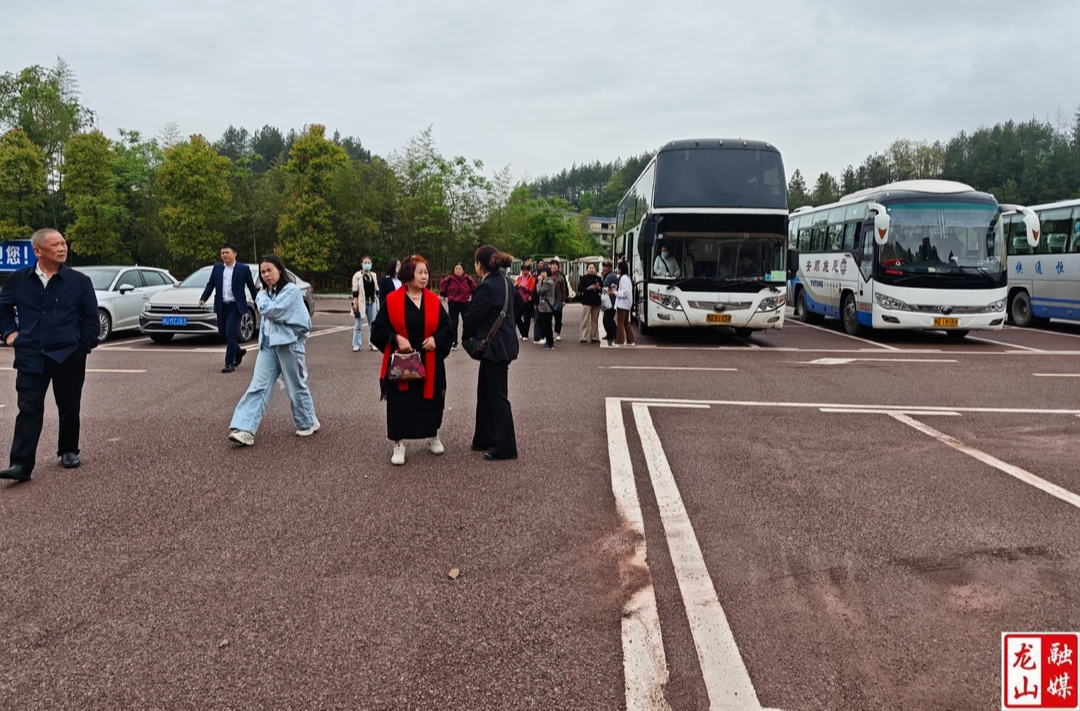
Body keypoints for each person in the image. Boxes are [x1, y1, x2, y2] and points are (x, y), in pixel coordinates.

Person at [0, 229, 98, 481]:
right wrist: (10, 333)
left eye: (64, 243)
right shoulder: (18, 279)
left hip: (68, 354)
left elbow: (90, 319)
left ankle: (68, 450)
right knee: (28, 408)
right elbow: (3, 310)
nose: (62, 248)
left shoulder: (79, 281)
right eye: (55, 244)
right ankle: (21, 464)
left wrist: (83, 346)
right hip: (31, 354)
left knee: (68, 406)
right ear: (38, 251)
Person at [370, 255, 454, 466]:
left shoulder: (433, 300)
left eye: (426, 272)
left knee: (433, 399)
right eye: (420, 273)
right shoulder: (392, 300)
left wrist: (436, 339)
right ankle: (398, 443)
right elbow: (378, 330)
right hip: (402, 359)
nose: (424, 277)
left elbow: (447, 328)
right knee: (400, 403)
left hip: (430, 359)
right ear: (408, 275)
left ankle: (432, 434)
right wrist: (396, 338)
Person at [228, 255, 318, 446]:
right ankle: (244, 428)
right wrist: (264, 301)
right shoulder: (265, 293)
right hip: (268, 345)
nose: (266, 275)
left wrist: (262, 301)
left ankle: (307, 422)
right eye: (263, 272)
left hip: (289, 344)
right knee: (258, 386)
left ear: (279, 270)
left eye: (270, 270)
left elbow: (274, 311)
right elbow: (269, 309)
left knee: (296, 387)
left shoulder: (291, 291)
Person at [462, 245, 524, 461]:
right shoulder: (505, 281)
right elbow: (519, 303)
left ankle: (506, 447)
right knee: (487, 393)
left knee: (497, 398)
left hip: (494, 347)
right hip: (503, 344)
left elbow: (471, 317)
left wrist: (470, 336)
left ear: (480, 265)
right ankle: (484, 438)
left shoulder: (487, 286)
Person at [199, 243, 259, 373]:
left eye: (227, 253)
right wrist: (203, 298)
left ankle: (229, 363)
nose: (224, 255)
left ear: (234, 254)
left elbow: (251, 287)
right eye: (222, 253)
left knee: (230, 333)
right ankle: (238, 351)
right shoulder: (217, 268)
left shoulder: (243, 269)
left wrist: (257, 303)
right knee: (222, 334)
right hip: (222, 305)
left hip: (235, 306)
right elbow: (211, 285)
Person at [438, 262, 477, 351]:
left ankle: (468, 340)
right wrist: (445, 294)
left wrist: (472, 297)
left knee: (467, 321)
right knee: (452, 323)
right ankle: (453, 341)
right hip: (453, 303)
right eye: (456, 268)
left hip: (465, 303)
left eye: (460, 269)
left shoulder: (467, 279)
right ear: (454, 270)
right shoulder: (450, 279)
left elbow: (474, 288)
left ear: (463, 270)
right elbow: (442, 286)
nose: (458, 270)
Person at [351, 256, 380, 352]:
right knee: (358, 325)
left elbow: (376, 289)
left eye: (369, 262)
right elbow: (355, 290)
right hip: (361, 303)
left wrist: (377, 299)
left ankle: (372, 344)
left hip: (372, 302)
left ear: (371, 264)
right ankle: (356, 344)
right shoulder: (357, 275)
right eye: (365, 262)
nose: (367, 264)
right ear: (362, 264)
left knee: (373, 325)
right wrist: (355, 303)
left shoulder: (373, 275)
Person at [577, 263, 603, 343]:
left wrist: (599, 288)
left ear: (595, 269)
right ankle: (583, 337)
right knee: (585, 320)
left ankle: (594, 337)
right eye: (590, 268)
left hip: (596, 301)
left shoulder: (598, 278)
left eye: (593, 268)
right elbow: (579, 288)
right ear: (587, 269)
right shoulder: (584, 278)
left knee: (595, 321)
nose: (591, 269)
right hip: (587, 301)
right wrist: (588, 288)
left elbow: (602, 288)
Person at [613, 261, 636, 347]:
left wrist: (615, 292)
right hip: (627, 304)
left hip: (622, 304)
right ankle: (630, 340)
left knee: (620, 322)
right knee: (626, 322)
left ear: (621, 269)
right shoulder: (627, 278)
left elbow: (624, 292)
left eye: (618, 268)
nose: (617, 270)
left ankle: (619, 341)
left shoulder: (623, 279)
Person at [534, 266, 557, 349]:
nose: (542, 274)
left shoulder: (548, 282)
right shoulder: (547, 281)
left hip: (547, 307)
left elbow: (539, 291)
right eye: (541, 272)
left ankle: (549, 342)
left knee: (546, 325)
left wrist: (539, 282)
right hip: (544, 307)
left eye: (544, 272)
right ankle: (549, 340)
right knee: (542, 323)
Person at [549, 259, 569, 341]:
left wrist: (563, 300)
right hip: (548, 300)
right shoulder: (546, 275)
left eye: (555, 265)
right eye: (552, 265)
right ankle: (549, 334)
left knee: (558, 317)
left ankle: (558, 333)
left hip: (558, 299)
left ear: (558, 267)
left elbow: (564, 289)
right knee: (547, 318)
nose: (554, 267)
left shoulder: (561, 276)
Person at [514, 265, 535, 341]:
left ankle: (525, 334)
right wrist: (515, 285)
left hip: (527, 301)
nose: (524, 272)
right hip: (519, 301)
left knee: (527, 318)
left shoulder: (532, 279)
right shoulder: (519, 278)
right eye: (523, 270)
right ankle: (523, 331)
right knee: (517, 316)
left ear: (528, 271)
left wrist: (523, 287)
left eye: (525, 270)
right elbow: (514, 288)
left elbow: (532, 290)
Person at [601, 261, 618, 346]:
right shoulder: (608, 276)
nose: (604, 268)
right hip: (608, 299)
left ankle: (614, 334)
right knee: (606, 319)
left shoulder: (611, 276)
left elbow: (611, 288)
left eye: (606, 267)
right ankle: (610, 334)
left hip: (610, 300)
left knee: (608, 319)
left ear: (610, 267)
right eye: (604, 267)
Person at [531, 259, 546, 343]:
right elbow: (535, 291)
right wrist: (535, 302)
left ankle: (542, 336)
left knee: (542, 320)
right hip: (538, 303)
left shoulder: (545, 280)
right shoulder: (537, 279)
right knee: (538, 320)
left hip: (544, 303)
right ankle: (537, 337)